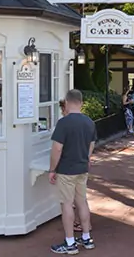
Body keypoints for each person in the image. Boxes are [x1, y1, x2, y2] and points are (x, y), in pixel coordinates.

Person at [49, 90, 97, 254]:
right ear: (81, 103)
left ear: (67, 103)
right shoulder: (90, 122)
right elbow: (91, 144)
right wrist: (87, 158)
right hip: (82, 168)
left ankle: (70, 242)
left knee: (67, 204)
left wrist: (52, 169)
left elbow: (57, 148)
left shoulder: (64, 123)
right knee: (82, 202)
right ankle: (86, 237)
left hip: (66, 169)